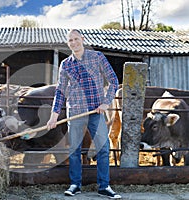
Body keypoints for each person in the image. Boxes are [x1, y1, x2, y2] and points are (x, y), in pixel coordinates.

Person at [46, 29, 121, 199]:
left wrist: (106, 102)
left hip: (96, 110)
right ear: (68, 43)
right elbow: (60, 91)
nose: (74, 43)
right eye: (70, 40)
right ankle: (75, 185)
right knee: (74, 149)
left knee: (103, 148)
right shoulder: (66, 64)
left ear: (83, 39)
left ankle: (104, 186)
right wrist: (54, 115)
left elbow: (113, 80)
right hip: (76, 112)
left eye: (76, 39)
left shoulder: (97, 57)